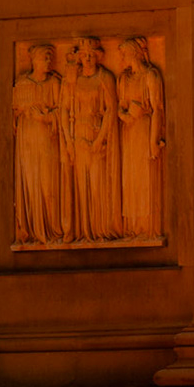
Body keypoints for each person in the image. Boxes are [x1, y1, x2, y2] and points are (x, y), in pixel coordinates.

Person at [66, 36, 122, 241]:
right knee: (82, 186)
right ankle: (84, 230)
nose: (87, 58)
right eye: (84, 55)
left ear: (98, 57)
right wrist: (68, 141)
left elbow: (110, 109)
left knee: (98, 185)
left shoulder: (104, 77)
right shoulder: (74, 80)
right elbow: (64, 110)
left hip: (98, 134)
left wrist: (99, 139)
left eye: (91, 55)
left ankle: (100, 230)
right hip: (78, 136)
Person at [11, 43, 66, 245]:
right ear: (34, 60)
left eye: (50, 57)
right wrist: (22, 112)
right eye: (45, 57)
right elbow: (13, 114)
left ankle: (53, 227)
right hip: (28, 141)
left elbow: (64, 111)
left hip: (48, 139)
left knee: (48, 183)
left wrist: (47, 117)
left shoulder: (54, 83)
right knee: (31, 182)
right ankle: (33, 228)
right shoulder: (23, 83)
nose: (48, 61)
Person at [115, 36, 166, 239]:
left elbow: (157, 110)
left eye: (124, 54)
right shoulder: (124, 78)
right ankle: (133, 227)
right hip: (129, 130)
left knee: (145, 176)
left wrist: (154, 141)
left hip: (145, 129)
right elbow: (119, 105)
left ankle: (147, 227)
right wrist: (125, 115)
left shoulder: (151, 76)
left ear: (134, 53)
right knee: (131, 177)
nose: (121, 59)